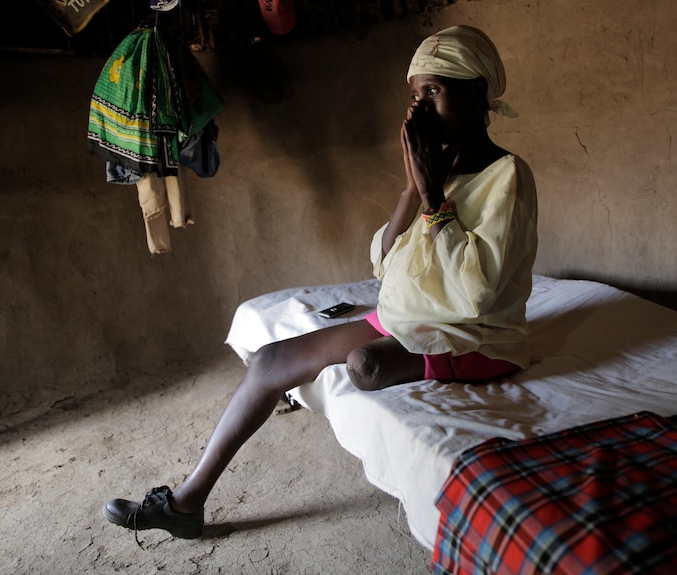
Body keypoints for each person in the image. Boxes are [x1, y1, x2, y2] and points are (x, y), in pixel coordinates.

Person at [103, 24, 538, 544]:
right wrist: (413, 186)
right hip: (410, 317)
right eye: (414, 95)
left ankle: (389, 357)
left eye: (434, 92)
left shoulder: (507, 176)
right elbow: (384, 261)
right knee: (269, 362)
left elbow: (478, 291)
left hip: (476, 335)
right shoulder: (438, 173)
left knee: (365, 365)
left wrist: (432, 197)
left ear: (477, 92)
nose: (418, 109)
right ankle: (186, 502)